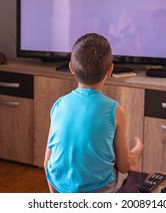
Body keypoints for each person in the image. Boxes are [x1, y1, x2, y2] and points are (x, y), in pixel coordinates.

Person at [44, 33, 144, 193]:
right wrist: (129, 161)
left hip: (60, 185)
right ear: (110, 70)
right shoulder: (116, 110)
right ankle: (134, 157)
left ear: (71, 68)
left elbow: (46, 163)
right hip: (99, 190)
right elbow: (122, 167)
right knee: (128, 169)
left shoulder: (59, 105)